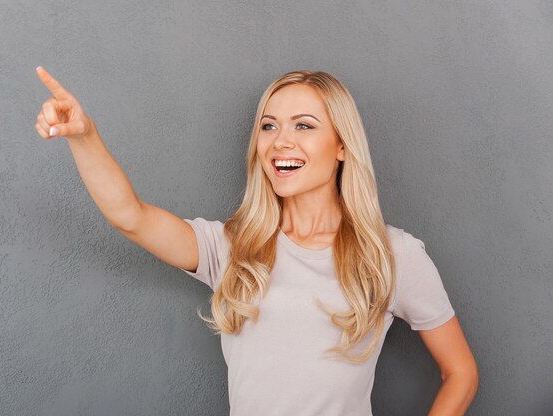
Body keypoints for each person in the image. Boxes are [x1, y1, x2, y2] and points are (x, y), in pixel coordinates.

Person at [34, 66, 478, 415]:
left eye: (303, 126)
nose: (280, 142)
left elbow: (460, 372)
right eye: (269, 126)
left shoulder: (392, 255)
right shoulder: (232, 247)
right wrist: (85, 136)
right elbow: (130, 216)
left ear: (342, 146)